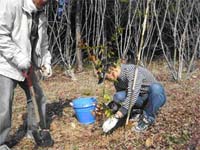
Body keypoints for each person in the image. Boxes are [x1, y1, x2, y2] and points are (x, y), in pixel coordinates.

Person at [0, 0, 53, 148]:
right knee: (4, 104)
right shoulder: (10, 3)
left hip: (27, 64)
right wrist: (19, 58)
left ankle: (34, 131)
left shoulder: (41, 13)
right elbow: (1, 35)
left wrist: (45, 62)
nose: (47, 2)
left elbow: (43, 44)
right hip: (5, 63)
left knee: (38, 96)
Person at [99, 62, 166, 133]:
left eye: (106, 78)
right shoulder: (117, 81)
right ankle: (138, 112)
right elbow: (124, 99)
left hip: (153, 98)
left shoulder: (131, 71)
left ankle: (147, 119)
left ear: (112, 71)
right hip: (140, 99)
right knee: (118, 96)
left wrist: (117, 116)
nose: (107, 80)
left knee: (156, 88)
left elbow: (132, 95)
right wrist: (111, 109)